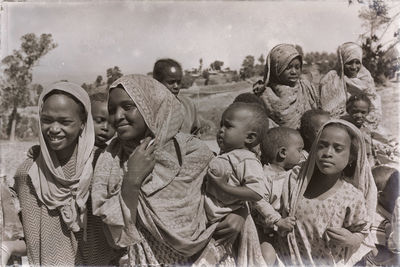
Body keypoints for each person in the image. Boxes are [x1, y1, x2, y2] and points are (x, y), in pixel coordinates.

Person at [91, 74, 247, 266]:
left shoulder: (193, 152)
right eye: (112, 110)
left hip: (206, 258)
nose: (117, 116)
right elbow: (114, 236)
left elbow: (232, 190)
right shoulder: (111, 160)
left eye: (128, 107)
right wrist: (132, 179)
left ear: (152, 106)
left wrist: (240, 213)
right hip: (146, 259)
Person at [13, 82, 115, 265]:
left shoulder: (103, 166)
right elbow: (30, 239)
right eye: (46, 120)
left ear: (83, 124)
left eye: (65, 121)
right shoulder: (28, 173)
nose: (53, 129)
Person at [278, 119, 377, 266]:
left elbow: (362, 230)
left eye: (338, 149)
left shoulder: (351, 197)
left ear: (351, 157)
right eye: (322, 146)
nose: (328, 153)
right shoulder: (295, 181)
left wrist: (352, 239)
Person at [253, 127, 304, 265]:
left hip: (290, 229)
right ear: (282, 152)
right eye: (299, 150)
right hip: (268, 229)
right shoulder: (265, 177)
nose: (302, 154)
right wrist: (278, 221)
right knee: (267, 256)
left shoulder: (295, 173)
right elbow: (259, 202)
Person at [253, 43, 320, 129]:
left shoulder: (305, 88)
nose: (294, 72)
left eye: (297, 67)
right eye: (288, 68)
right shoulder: (264, 95)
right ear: (276, 68)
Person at [319, 42, 382, 130]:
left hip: (364, 124)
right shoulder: (331, 79)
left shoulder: (366, 77)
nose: (354, 67)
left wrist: (365, 122)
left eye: (357, 62)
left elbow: (375, 106)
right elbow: (327, 112)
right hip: (338, 127)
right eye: (349, 62)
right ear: (342, 61)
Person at [153, 58, 201, 135]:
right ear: (157, 82)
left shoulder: (188, 105)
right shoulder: (149, 108)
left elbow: (196, 134)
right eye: (171, 82)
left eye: (178, 82)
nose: (176, 86)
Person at [366, 166, 400, 265]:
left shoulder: (392, 212)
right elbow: (377, 255)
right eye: (395, 188)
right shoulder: (377, 220)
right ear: (380, 195)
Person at [343, 93, 376, 166]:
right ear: (348, 110)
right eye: (355, 111)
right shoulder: (345, 128)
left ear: (368, 112)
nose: (359, 115)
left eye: (363, 112)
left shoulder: (366, 127)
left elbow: (370, 150)